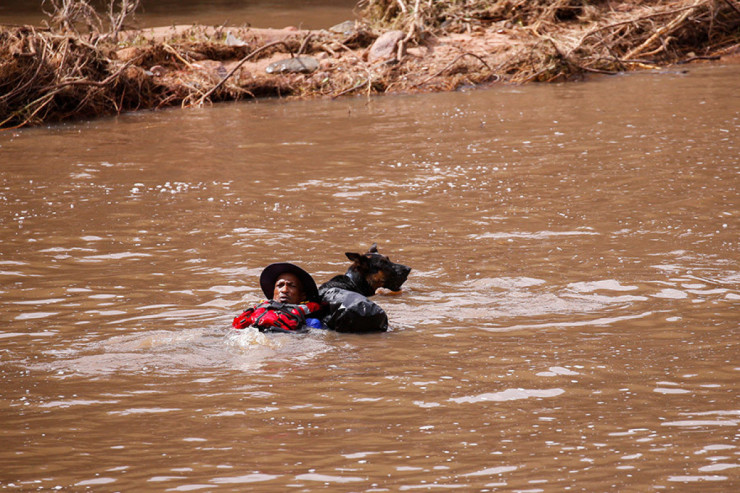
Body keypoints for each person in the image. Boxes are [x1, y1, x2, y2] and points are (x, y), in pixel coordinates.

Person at [232, 262, 325, 332]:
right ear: (273, 292)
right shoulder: (255, 313)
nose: (284, 290)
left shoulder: (311, 323)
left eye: (291, 286)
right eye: (280, 285)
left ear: (302, 296)